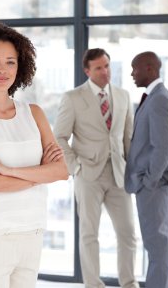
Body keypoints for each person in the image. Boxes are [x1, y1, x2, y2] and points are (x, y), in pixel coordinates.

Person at [0, 21, 69, 288]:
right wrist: (41, 173)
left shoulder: (35, 113)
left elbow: (62, 171)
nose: (2, 70)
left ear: (20, 68)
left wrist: (8, 170)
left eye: (10, 62)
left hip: (32, 231)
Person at [54, 48, 139, 288]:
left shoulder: (122, 96)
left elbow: (127, 137)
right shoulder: (72, 98)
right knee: (90, 234)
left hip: (119, 175)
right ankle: (93, 284)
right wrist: (75, 167)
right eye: (99, 67)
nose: (105, 72)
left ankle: (129, 282)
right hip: (88, 175)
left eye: (107, 66)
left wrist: (131, 168)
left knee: (128, 233)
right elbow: (59, 137)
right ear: (87, 70)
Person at [125, 51, 168, 288]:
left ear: (149, 69)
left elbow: (162, 148)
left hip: (153, 186)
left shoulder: (159, 99)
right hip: (151, 185)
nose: (132, 74)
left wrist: (149, 181)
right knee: (157, 245)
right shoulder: (154, 96)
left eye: (135, 69)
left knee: (157, 245)